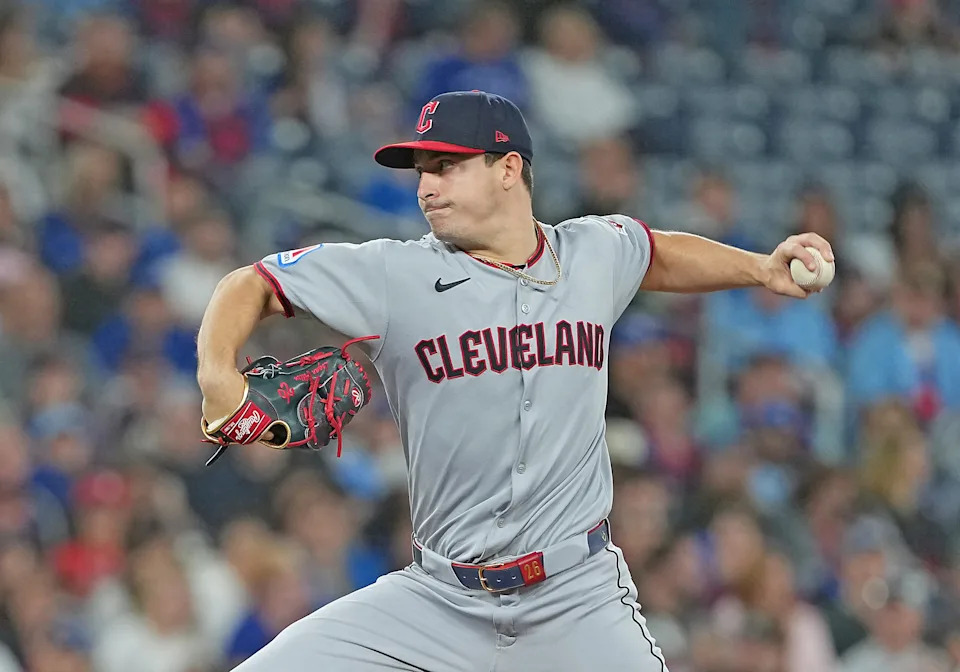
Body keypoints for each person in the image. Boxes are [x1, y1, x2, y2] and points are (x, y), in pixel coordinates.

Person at [196, 90, 833, 671]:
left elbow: (656, 253)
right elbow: (251, 283)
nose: (427, 187)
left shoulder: (592, 254)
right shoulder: (396, 275)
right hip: (439, 601)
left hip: (576, 599)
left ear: (508, 169)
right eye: (422, 170)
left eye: (447, 166)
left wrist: (759, 269)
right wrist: (218, 377)